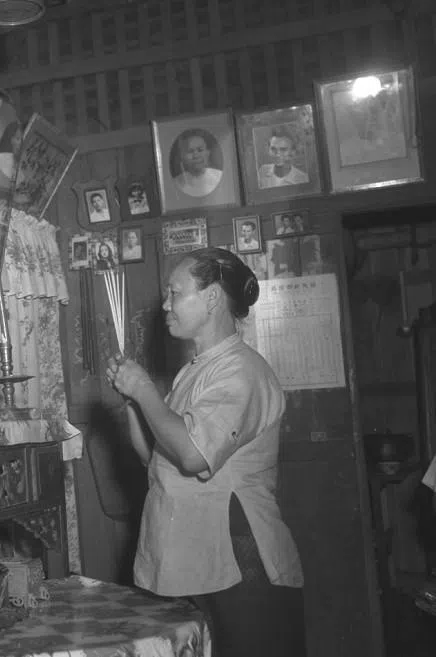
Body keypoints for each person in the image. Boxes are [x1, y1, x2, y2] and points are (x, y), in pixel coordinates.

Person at [105, 247, 305, 657]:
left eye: (175, 293)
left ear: (212, 298)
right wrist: (132, 401)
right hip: (197, 555)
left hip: (238, 557)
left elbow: (194, 456)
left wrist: (145, 390)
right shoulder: (197, 369)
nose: (165, 304)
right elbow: (158, 458)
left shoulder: (242, 370)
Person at [172, 130, 223, 198]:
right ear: (183, 156)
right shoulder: (177, 183)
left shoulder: (219, 177)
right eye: (190, 151)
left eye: (200, 150)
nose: (196, 156)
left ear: (208, 153)